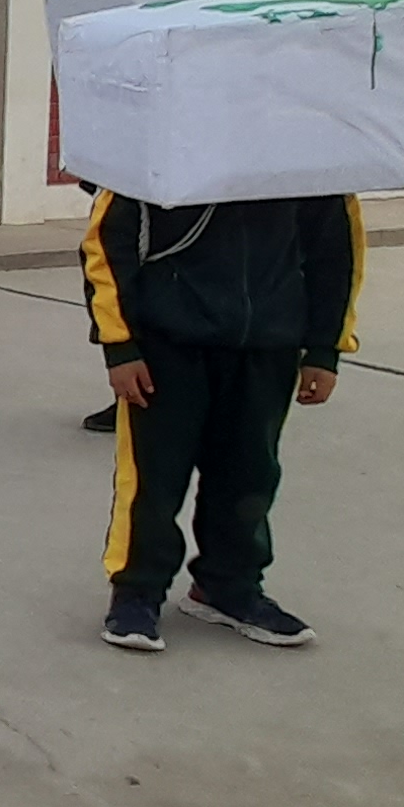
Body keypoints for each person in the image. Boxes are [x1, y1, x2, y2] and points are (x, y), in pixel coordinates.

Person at [83, 189, 362, 653]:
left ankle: (228, 586)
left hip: (269, 344)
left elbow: (337, 251)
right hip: (167, 345)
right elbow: (108, 245)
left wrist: (325, 347)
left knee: (250, 473)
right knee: (155, 477)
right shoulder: (160, 146)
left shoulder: (311, 156)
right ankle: (137, 591)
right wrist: (120, 344)